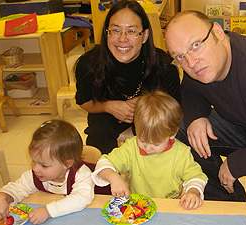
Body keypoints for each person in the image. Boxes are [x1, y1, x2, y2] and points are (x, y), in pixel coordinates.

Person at [165, 10, 246, 205]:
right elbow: (190, 90)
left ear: (217, 32)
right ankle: (230, 204)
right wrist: (196, 117)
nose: (191, 62)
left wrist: (237, 163)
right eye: (180, 56)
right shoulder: (202, 66)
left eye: (196, 45)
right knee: (187, 133)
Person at [75, 0, 180, 154]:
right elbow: (84, 101)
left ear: (144, 35)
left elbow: (176, 109)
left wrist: (147, 102)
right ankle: (105, 175)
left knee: (159, 136)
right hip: (106, 112)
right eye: (115, 30)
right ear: (107, 33)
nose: (122, 39)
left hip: (151, 113)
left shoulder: (163, 67)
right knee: (99, 133)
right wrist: (107, 106)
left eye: (131, 31)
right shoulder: (90, 65)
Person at [92, 90, 208, 210]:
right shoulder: (131, 148)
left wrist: (193, 192)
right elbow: (103, 164)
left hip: (171, 207)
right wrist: (114, 178)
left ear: (172, 134)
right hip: (139, 208)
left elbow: (196, 177)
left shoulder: (181, 153)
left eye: (155, 143)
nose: (147, 148)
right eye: (142, 140)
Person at [0, 120, 94, 224]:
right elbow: (17, 188)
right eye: (33, 161)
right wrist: (1, 196)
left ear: (67, 164)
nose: (35, 169)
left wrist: (48, 211)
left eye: (44, 165)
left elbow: (82, 198)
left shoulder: (82, 174)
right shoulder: (35, 175)